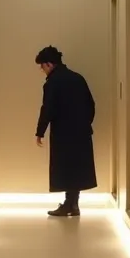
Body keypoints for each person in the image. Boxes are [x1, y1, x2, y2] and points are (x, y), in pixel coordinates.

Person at [34, 45, 98, 217]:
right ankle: (72, 204)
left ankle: (70, 204)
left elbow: (47, 109)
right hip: (81, 131)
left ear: (49, 64)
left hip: (63, 133)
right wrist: (85, 123)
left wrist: (40, 132)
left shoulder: (52, 83)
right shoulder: (77, 78)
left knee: (66, 168)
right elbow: (91, 104)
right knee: (76, 168)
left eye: (42, 66)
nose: (42, 70)